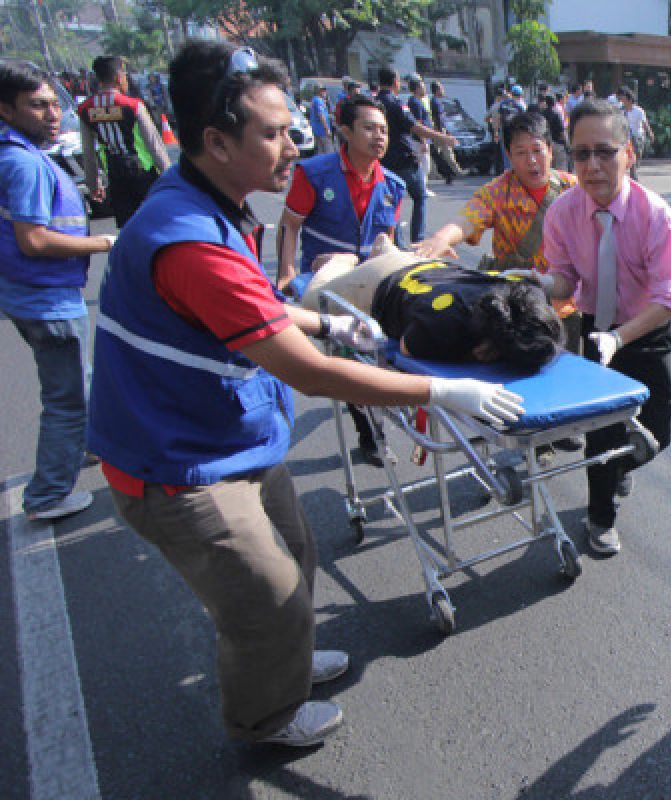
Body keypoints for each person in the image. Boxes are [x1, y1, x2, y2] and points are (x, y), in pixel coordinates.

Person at [86, 41, 523, 748]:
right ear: (216, 142)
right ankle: (263, 717)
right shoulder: (188, 238)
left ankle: (284, 659)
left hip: (231, 435)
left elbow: (256, 304)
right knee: (268, 598)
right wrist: (442, 389)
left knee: (298, 557)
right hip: (173, 465)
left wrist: (328, 319)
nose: (294, 143)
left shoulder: (210, 205)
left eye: (292, 127)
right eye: (274, 132)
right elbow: (308, 373)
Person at [538, 98, 671, 556]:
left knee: (659, 430)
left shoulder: (656, 215)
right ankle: (599, 517)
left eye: (605, 151)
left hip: (647, 330)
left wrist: (620, 338)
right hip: (594, 327)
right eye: (581, 154)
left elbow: (668, 299)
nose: (593, 165)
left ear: (629, 154)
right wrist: (542, 282)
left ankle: (620, 470)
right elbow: (567, 280)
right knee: (600, 432)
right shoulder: (562, 212)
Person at [416, 112, 581, 455]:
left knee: (566, 370)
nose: (531, 160)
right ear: (509, 155)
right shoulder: (498, 192)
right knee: (521, 372)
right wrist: (441, 238)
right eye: (520, 152)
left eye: (537, 150)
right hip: (519, 302)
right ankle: (532, 436)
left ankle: (561, 424)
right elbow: (468, 218)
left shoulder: (572, 188)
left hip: (563, 298)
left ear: (551, 150)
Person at [0, 62, 116, 521]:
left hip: (34, 296)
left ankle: (86, 447)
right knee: (67, 399)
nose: (52, 114)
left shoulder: (17, 154)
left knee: (76, 382)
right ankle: (48, 494)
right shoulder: (24, 163)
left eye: (53, 103)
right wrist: (107, 242)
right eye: (38, 105)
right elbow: (35, 240)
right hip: (46, 298)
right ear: (5, 110)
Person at [276, 94, 406, 467]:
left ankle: (378, 411)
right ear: (345, 131)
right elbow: (289, 225)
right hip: (329, 287)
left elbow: (389, 243)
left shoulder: (393, 186)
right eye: (369, 128)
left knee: (380, 355)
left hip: (370, 285)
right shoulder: (314, 174)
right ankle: (371, 437)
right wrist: (286, 274)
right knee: (350, 360)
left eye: (384, 130)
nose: (379, 137)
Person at [298, 237, 563, 368]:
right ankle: (340, 261)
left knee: (403, 264)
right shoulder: (445, 326)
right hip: (379, 281)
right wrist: (466, 357)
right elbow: (406, 347)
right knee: (310, 303)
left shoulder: (526, 293)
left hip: (429, 268)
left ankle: (387, 247)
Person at [78, 55, 171, 228]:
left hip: (115, 173)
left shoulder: (85, 109)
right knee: (154, 220)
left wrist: (93, 183)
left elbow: (88, 152)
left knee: (128, 224)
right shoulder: (132, 105)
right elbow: (154, 144)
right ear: (118, 78)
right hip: (142, 172)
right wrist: (169, 175)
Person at [377, 67, 456, 244]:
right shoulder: (396, 103)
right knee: (420, 196)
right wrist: (442, 138)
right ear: (395, 81)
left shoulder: (374, 103)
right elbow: (415, 126)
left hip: (383, 161)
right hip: (403, 159)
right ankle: (416, 240)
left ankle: (396, 243)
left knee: (391, 203)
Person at [428, 80, 464, 184]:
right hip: (439, 130)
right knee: (447, 151)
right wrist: (442, 132)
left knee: (436, 152)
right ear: (437, 90)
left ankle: (434, 173)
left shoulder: (435, 101)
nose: (443, 90)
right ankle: (456, 170)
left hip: (438, 129)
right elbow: (438, 118)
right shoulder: (435, 102)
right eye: (441, 88)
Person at [617, 88, 654, 181]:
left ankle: (634, 169)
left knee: (638, 154)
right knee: (631, 153)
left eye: (623, 98)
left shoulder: (638, 110)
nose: (621, 101)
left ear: (628, 98)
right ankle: (633, 175)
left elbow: (645, 123)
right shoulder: (621, 111)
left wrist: (650, 133)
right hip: (627, 137)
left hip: (638, 136)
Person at [487, 84, 523, 174]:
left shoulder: (503, 104)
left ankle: (508, 173)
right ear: (520, 95)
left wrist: (496, 132)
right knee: (517, 152)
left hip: (504, 130)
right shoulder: (520, 106)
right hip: (516, 132)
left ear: (512, 93)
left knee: (506, 154)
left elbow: (498, 119)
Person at [308, 85, 335, 154]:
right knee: (328, 149)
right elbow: (321, 115)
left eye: (324, 90)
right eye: (322, 91)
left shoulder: (314, 100)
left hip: (316, 129)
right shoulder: (318, 101)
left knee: (321, 150)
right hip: (322, 129)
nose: (324, 92)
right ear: (318, 91)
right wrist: (327, 129)